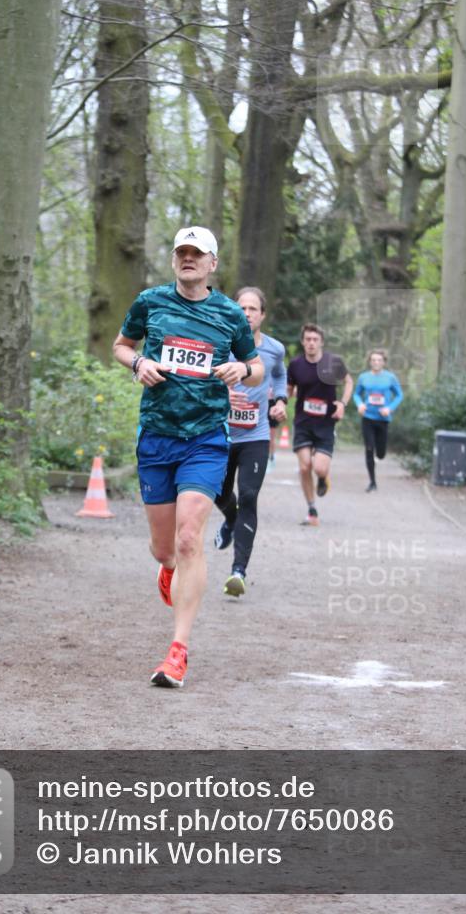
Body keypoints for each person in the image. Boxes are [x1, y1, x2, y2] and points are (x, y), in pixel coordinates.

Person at [112, 226, 264, 688]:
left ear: (212, 263)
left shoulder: (229, 315)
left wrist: (242, 368)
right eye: (182, 252)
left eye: (197, 254)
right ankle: (169, 569)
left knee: (188, 538)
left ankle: (177, 652)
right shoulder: (150, 302)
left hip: (206, 438)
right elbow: (121, 346)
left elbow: (255, 368)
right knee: (164, 549)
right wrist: (138, 364)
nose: (188, 259)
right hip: (157, 436)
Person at [214, 287, 286, 597]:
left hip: (255, 435)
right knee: (217, 492)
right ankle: (229, 519)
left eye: (253, 308)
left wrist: (280, 400)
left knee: (249, 495)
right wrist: (221, 394)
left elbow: (279, 375)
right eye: (241, 307)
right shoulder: (220, 343)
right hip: (218, 432)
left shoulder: (274, 349)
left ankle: (238, 571)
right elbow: (201, 376)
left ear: (262, 315)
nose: (246, 313)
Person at [287, 323, 353, 526]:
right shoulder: (296, 364)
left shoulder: (333, 362)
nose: (311, 343)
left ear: (321, 342)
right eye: (307, 339)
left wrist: (342, 404)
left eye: (315, 339)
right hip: (303, 423)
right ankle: (312, 510)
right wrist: (280, 398)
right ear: (303, 342)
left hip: (325, 424)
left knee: (319, 468)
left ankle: (324, 479)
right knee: (305, 466)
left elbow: (349, 382)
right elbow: (289, 390)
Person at [353, 348, 404, 491]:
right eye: (373, 360)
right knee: (369, 448)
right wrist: (360, 404)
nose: (376, 362)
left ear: (384, 362)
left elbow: (399, 395)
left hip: (383, 419)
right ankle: (372, 482)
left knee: (380, 454)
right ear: (369, 362)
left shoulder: (390, 377)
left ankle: (379, 454)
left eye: (379, 360)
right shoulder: (363, 377)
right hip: (368, 417)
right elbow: (356, 394)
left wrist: (390, 408)